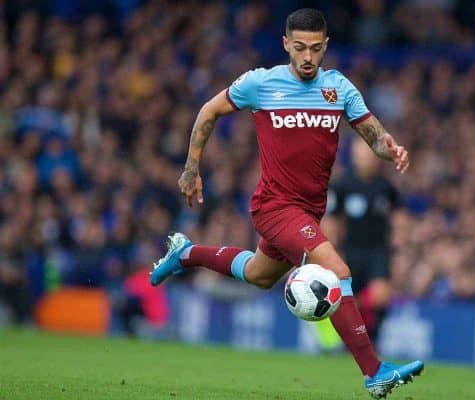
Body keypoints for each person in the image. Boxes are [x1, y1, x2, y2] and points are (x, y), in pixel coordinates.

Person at [150, 8, 423, 399]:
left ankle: (187, 253)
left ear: (325, 46)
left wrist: (390, 149)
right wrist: (192, 167)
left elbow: (374, 137)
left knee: (260, 275)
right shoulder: (261, 83)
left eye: (315, 49)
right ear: (286, 45)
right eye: (299, 48)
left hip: (308, 210)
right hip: (276, 207)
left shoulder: (339, 89)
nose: (308, 57)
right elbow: (208, 111)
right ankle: (374, 372)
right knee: (338, 270)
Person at [326, 138, 399, 340]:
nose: (367, 158)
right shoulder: (341, 185)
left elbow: (399, 217)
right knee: (342, 296)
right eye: (362, 154)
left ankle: (364, 328)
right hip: (349, 250)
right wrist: (333, 251)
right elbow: (331, 220)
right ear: (355, 156)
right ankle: (347, 335)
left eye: (370, 154)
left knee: (380, 295)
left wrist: (398, 243)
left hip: (377, 250)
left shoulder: (386, 187)